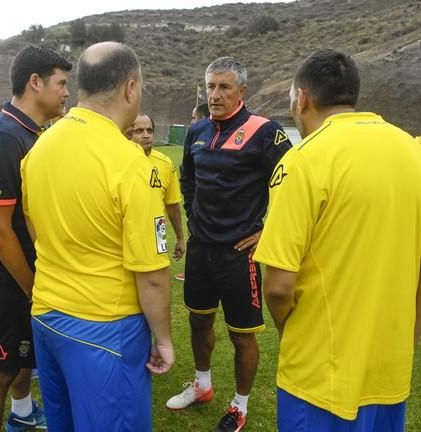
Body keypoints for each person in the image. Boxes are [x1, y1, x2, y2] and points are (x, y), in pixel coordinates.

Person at [254, 49, 421, 431]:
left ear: (302, 97)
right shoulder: (414, 152)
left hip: (319, 372)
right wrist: (406, 339)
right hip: (389, 369)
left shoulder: (303, 160)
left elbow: (278, 286)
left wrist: (291, 332)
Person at [21, 41, 174, 431]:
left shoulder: (39, 148)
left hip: (47, 316)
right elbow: (152, 275)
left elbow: (34, 225)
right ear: (130, 87)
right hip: (105, 329)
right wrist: (163, 339)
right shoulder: (128, 162)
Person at [168, 56, 292, 432]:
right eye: (210, 87)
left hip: (240, 254)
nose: (215, 94)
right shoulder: (197, 131)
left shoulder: (265, 131)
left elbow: (293, 184)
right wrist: (193, 216)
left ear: (242, 90)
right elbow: (188, 179)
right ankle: (202, 385)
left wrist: (267, 231)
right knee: (198, 319)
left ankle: (240, 405)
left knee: (242, 334)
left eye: (224, 87)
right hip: (201, 249)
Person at [0, 45, 71, 432]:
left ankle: (24, 412)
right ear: (35, 83)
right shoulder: (3, 138)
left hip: (29, 272)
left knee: (20, 359)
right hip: (12, 278)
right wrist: (33, 287)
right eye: (61, 83)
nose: (66, 92)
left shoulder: (30, 132)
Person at [131, 112, 185, 260]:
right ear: (128, 134)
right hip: (127, 232)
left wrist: (180, 237)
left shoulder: (166, 164)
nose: (146, 135)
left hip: (158, 230)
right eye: (139, 131)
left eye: (149, 130)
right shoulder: (116, 162)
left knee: (159, 277)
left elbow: (172, 204)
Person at [175, 102, 211, 282]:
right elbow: (186, 176)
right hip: (197, 212)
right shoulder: (194, 138)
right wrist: (191, 209)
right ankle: (191, 271)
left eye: (194, 118)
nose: (191, 122)